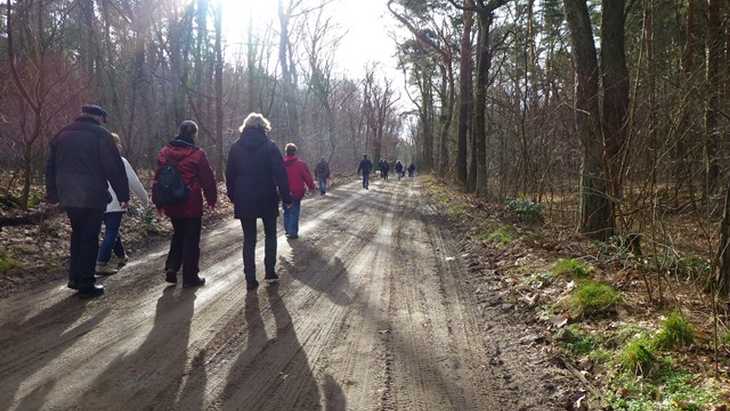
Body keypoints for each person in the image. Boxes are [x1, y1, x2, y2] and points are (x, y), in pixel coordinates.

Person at [45, 104, 129, 298]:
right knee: (90, 237)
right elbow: (114, 168)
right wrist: (123, 195)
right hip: (93, 195)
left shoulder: (62, 134)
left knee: (78, 234)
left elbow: (50, 165)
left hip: (68, 195)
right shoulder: (101, 135)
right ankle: (86, 283)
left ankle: (74, 277)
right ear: (98, 118)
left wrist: (52, 193)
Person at [226, 113, 292, 291]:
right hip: (267, 196)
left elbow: (229, 175)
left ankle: (250, 278)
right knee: (270, 235)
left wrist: (233, 196)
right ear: (263, 127)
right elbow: (280, 174)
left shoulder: (235, 148)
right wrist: (286, 197)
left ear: (245, 127)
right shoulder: (270, 147)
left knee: (249, 239)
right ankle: (270, 272)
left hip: (244, 197)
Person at [152, 120, 217, 288]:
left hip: (171, 202)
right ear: (194, 134)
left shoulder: (164, 152)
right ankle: (190, 277)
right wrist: (211, 199)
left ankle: (172, 267)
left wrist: (158, 201)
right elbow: (207, 179)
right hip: (191, 202)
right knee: (191, 239)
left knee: (178, 234)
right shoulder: (198, 154)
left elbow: (158, 177)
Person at [95, 133, 149, 275]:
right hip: (115, 202)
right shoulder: (121, 161)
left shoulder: (95, 161)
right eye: (118, 143)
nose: (120, 146)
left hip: (96, 202)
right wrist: (145, 199)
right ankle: (101, 262)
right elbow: (134, 182)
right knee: (111, 231)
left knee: (112, 230)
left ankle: (121, 256)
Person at [283, 144, 315, 239]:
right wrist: (311, 187)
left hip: (284, 191)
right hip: (297, 191)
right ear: (295, 152)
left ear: (286, 152)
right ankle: (292, 232)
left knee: (286, 211)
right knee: (294, 211)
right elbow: (307, 177)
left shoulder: (281, 163)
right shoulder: (300, 164)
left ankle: (288, 230)